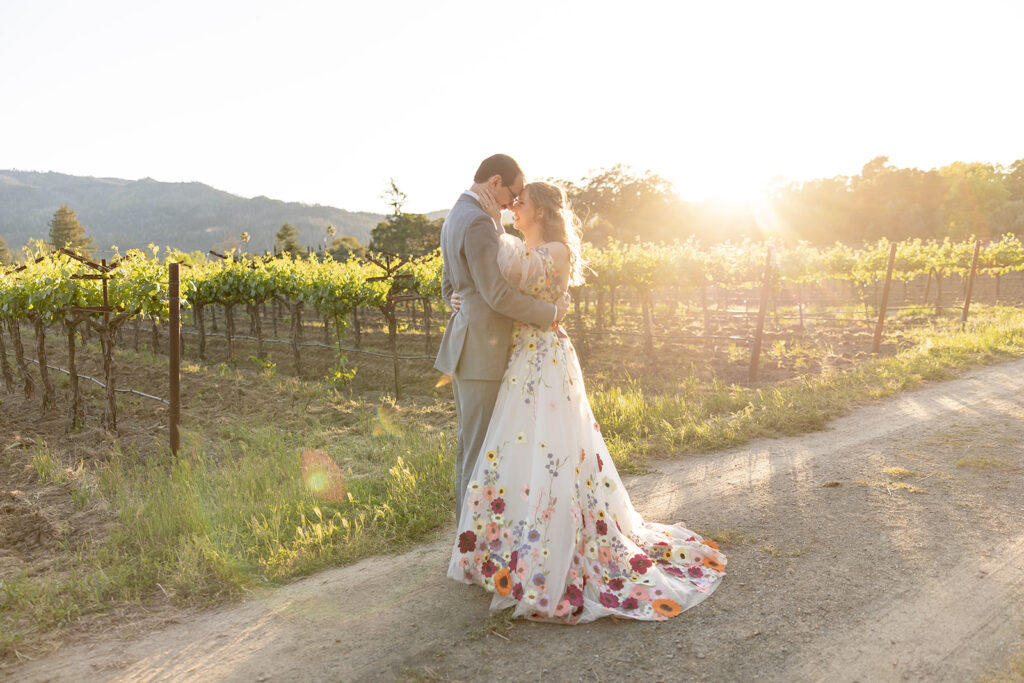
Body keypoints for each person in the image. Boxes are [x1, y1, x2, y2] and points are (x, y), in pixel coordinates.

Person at [445, 181, 727, 624]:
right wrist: (459, 295)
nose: (514, 208)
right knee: (514, 451)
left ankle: (553, 546)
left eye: (521, 203)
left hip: (544, 355)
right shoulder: (516, 246)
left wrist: (486, 251)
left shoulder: (553, 251)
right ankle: (504, 543)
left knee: (552, 450)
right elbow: (490, 282)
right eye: (511, 201)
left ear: (539, 209)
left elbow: (503, 286)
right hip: (520, 356)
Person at [435, 154, 569, 523]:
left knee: (471, 446)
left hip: (471, 344)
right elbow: (496, 295)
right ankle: (470, 543)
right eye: (512, 193)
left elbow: (450, 284)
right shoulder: (478, 221)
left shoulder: (457, 214)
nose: (513, 202)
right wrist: (550, 314)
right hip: (483, 350)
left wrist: (457, 299)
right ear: (495, 182)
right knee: (481, 452)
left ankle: (470, 538)